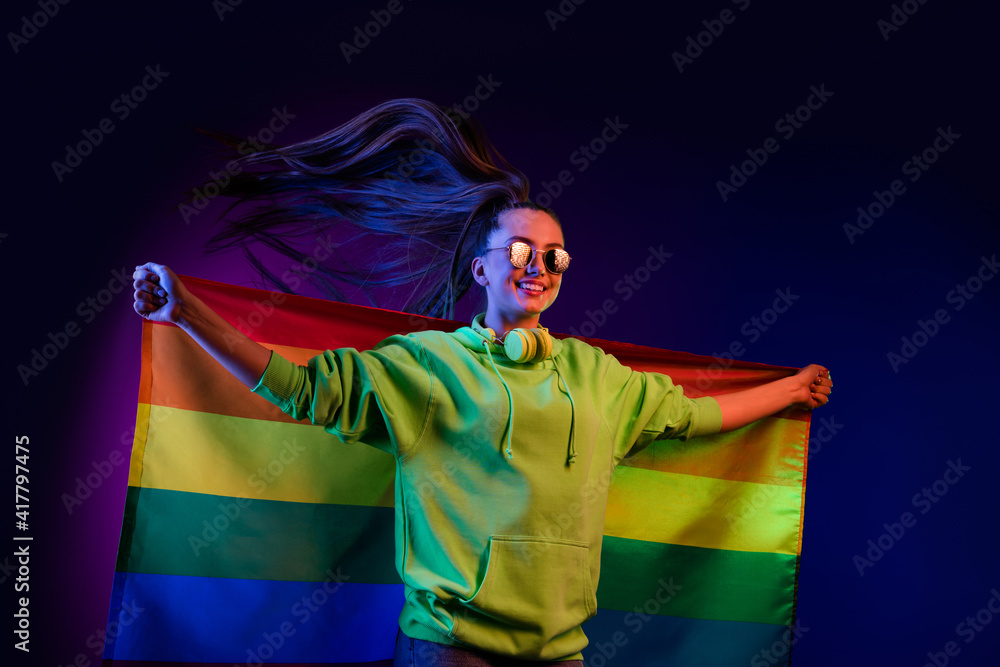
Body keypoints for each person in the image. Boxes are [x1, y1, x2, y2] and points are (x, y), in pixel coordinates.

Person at [132, 99, 832, 666]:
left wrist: (792, 390)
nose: (541, 264)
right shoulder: (427, 364)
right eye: (522, 250)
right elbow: (303, 387)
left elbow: (694, 415)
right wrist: (186, 313)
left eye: (555, 254)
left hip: (562, 655)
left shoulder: (599, 379)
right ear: (482, 270)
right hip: (451, 652)